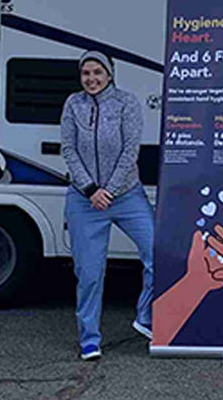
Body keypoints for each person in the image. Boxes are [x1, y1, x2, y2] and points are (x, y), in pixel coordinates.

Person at [60, 50, 154, 361]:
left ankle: (147, 317)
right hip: (84, 198)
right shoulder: (73, 104)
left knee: (157, 253)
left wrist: (108, 191)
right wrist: (90, 190)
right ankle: (89, 338)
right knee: (89, 272)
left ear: (110, 74)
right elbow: (69, 149)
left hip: (126, 195)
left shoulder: (127, 103)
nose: (91, 78)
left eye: (98, 72)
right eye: (86, 73)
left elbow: (130, 151)